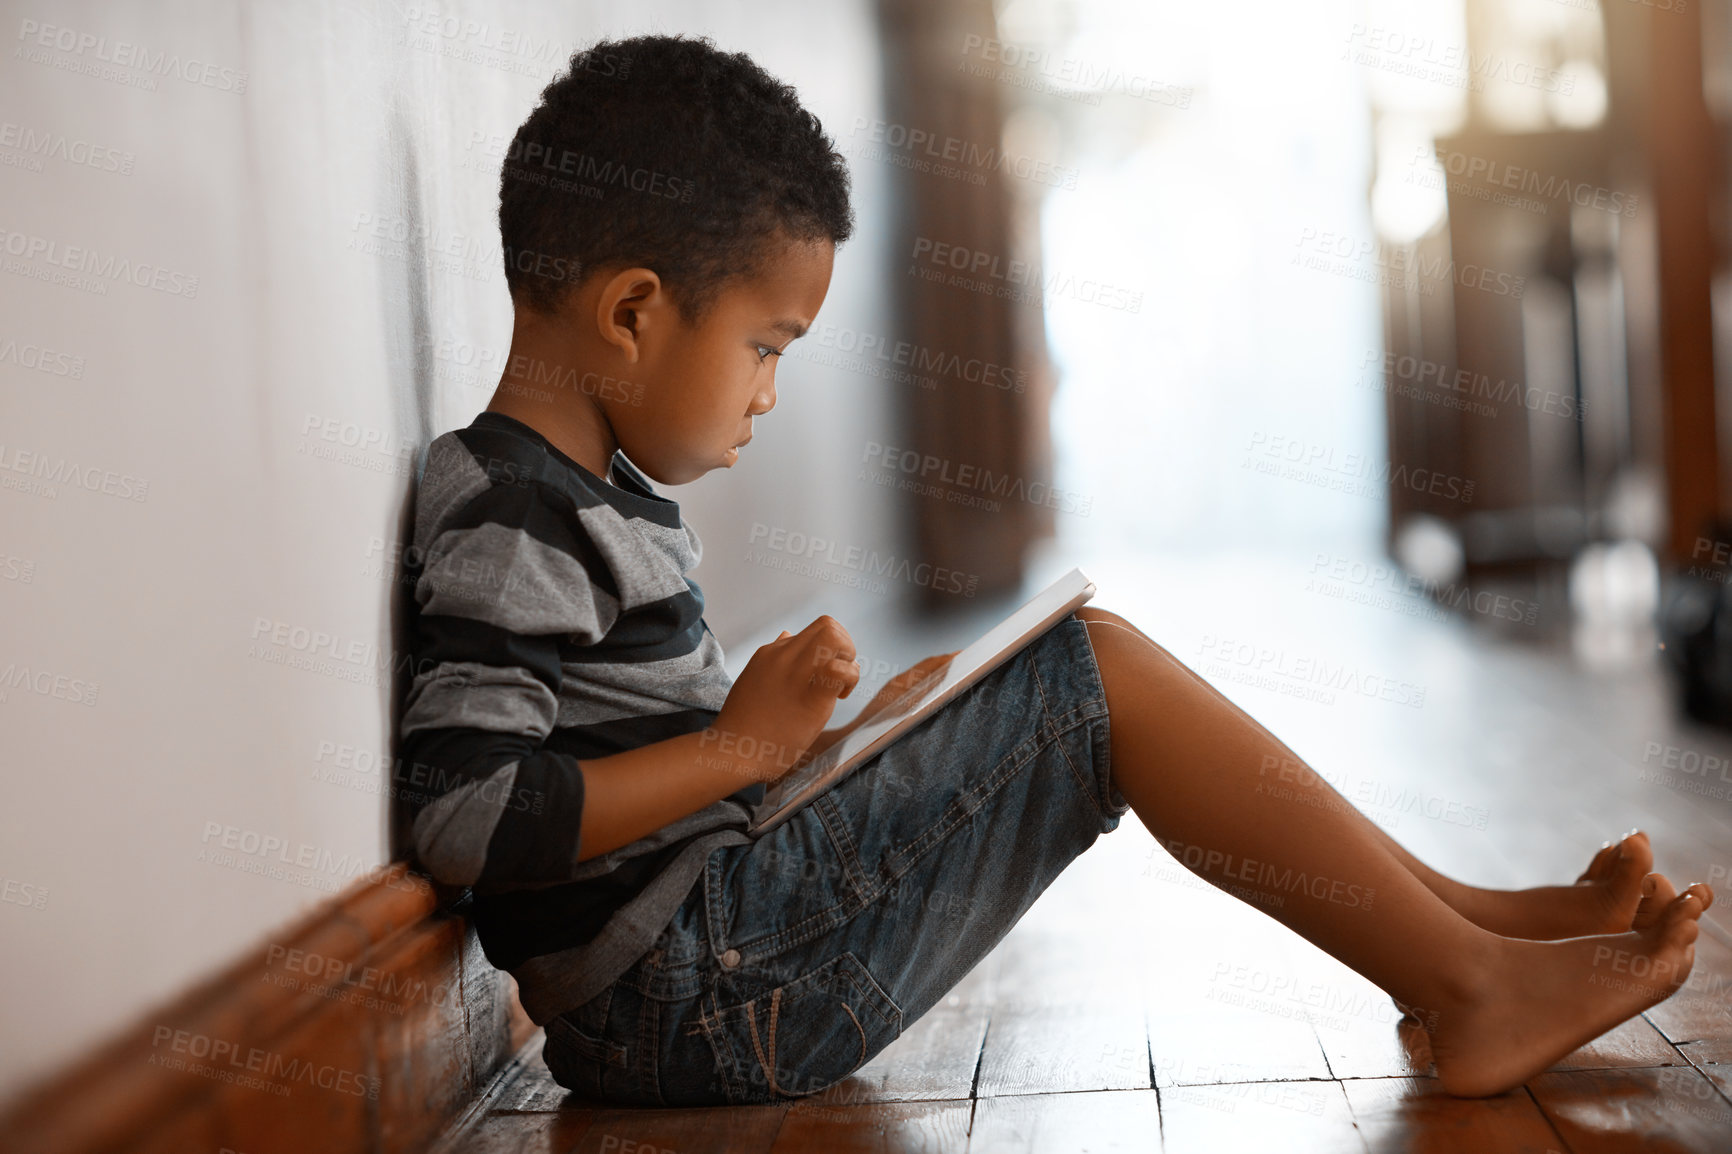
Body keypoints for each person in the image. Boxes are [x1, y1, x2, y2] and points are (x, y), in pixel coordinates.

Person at [397, 32, 1713, 1106]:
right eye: (766, 346)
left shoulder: (582, 499)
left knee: (1074, 664)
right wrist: (737, 756)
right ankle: (1464, 977)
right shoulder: (514, 517)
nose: (769, 394)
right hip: (696, 996)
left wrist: (817, 751)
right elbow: (466, 816)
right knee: (1102, 676)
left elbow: (634, 791)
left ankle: (1467, 932)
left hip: (705, 963)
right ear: (633, 310)